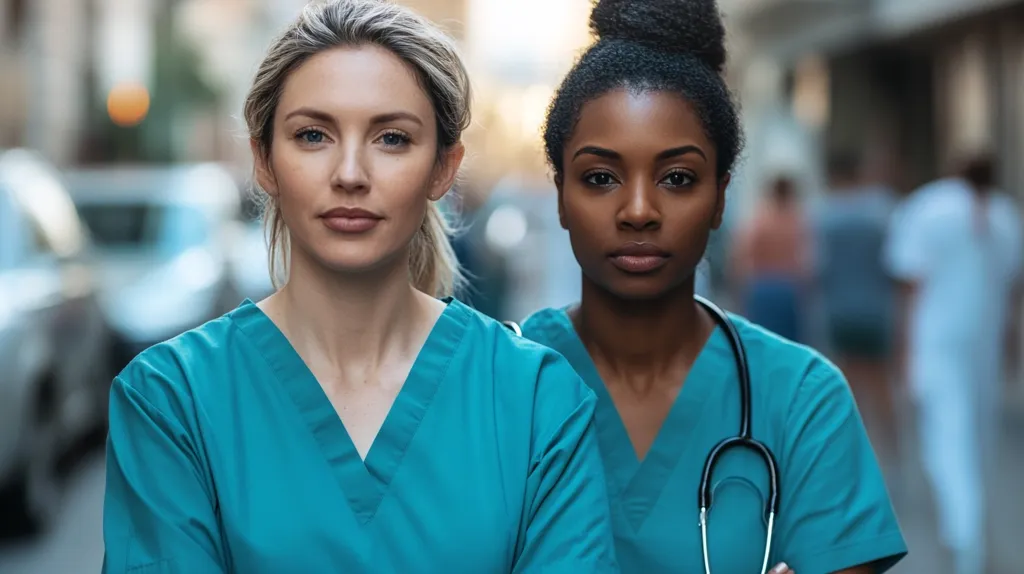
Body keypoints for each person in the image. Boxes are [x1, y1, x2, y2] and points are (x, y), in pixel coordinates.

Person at [101, 2, 618, 572]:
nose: (350, 173)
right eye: (313, 135)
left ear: (443, 167)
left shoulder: (537, 400)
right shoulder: (172, 401)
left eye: (392, 138)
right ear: (265, 161)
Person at [520, 0, 908, 571]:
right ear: (559, 197)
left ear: (721, 198)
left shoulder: (803, 399)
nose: (639, 210)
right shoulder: (496, 386)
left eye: (678, 178)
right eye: (600, 177)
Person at [885, 153, 1022, 574]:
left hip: (939, 339)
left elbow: (910, 285)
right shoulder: (1005, 214)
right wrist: (1011, 342)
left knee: (947, 435)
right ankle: (967, 526)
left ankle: (964, 534)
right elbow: (1013, 290)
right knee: (976, 435)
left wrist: (903, 348)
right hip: (982, 341)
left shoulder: (929, 207)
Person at [814, 151, 899, 454]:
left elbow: (816, 267)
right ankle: (891, 447)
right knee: (880, 379)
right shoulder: (881, 209)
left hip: (840, 309)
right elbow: (896, 263)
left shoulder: (824, 213)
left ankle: (850, 446)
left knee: (847, 379)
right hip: (876, 307)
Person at [730, 175, 812, 343]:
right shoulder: (796, 222)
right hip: (788, 287)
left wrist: (740, 289)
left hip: (762, 286)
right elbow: (806, 262)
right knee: (790, 344)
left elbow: (741, 257)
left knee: (762, 342)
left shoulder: (760, 221)